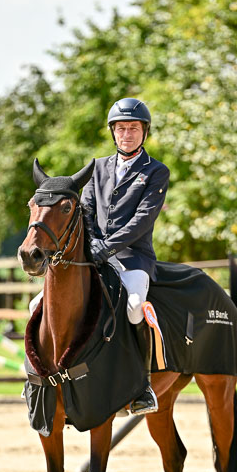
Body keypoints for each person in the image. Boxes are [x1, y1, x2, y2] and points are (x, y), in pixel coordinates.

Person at [81, 98, 170, 414]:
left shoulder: (156, 171)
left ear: (144, 132)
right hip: (93, 255)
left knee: (134, 308)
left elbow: (143, 219)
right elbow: (86, 210)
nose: (127, 134)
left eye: (133, 128)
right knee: (44, 301)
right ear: (113, 132)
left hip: (133, 258)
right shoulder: (96, 168)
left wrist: (108, 247)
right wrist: (92, 244)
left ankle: (141, 384)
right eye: (121, 128)